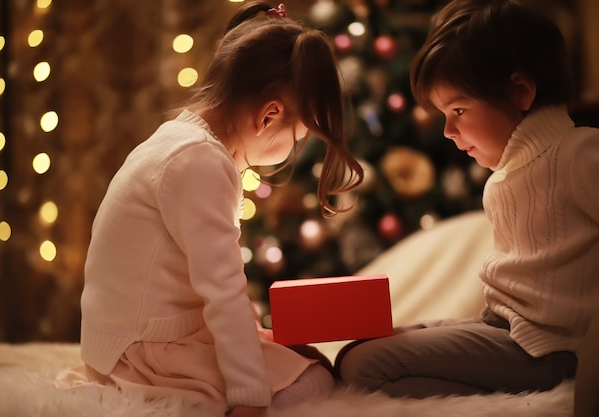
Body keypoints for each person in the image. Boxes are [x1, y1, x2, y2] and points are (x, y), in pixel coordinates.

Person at [79, 2, 363, 416]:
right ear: (269, 116)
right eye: (298, 136)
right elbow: (223, 292)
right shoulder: (199, 161)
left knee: (293, 359)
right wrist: (250, 397)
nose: (294, 150)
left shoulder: (179, 140)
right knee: (315, 380)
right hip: (141, 354)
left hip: (124, 342)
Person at [336, 0, 599, 402]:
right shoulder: (508, 174)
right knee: (360, 347)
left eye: (458, 109)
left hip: (545, 350)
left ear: (521, 91)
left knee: (365, 366)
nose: (448, 130)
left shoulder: (577, 153)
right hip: (501, 328)